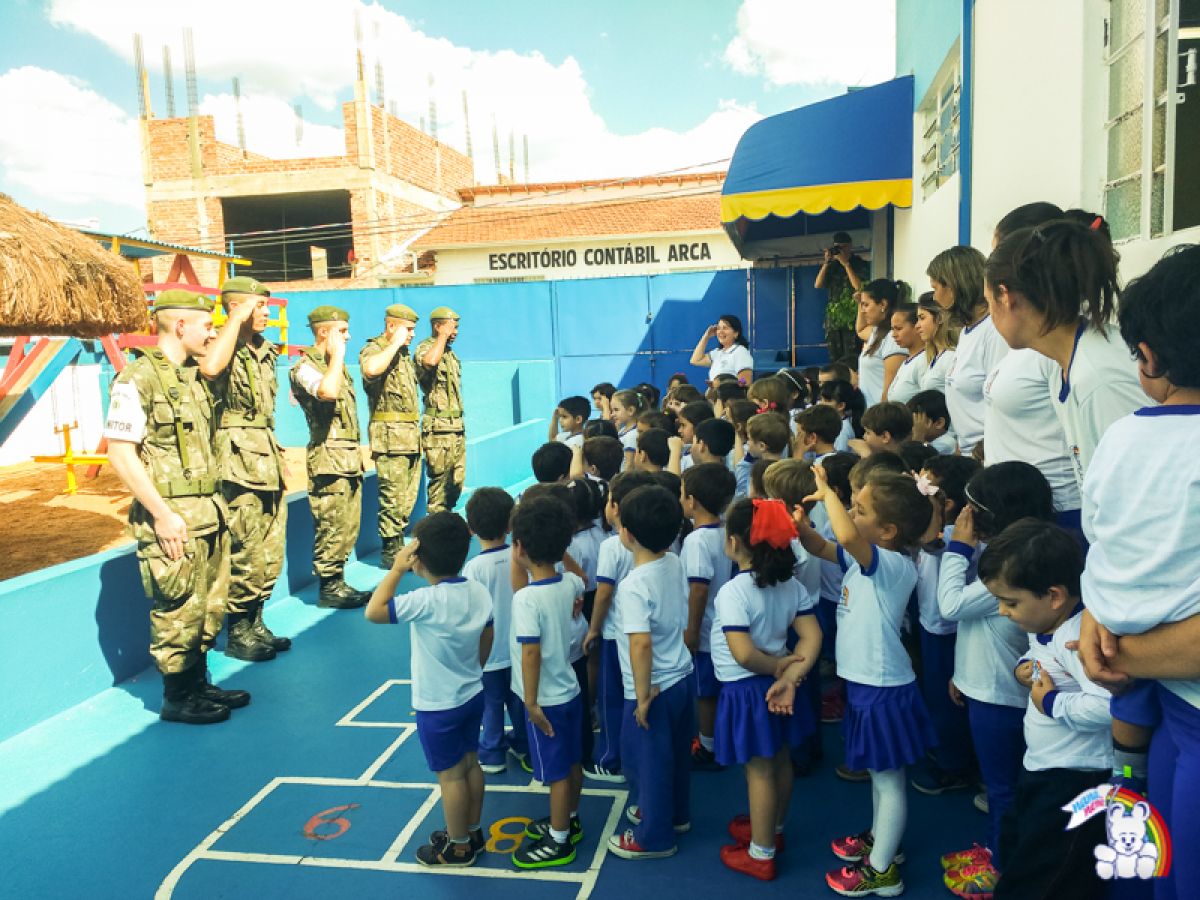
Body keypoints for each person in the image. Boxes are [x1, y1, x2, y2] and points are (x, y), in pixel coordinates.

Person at [1074, 245, 1200, 900]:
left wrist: (1104, 623)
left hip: (1160, 685)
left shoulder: (1123, 437)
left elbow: (1103, 537)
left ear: (1148, 359)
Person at [103, 290, 244, 725]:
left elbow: (218, 362)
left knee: (207, 606)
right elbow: (121, 453)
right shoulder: (136, 379)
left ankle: (198, 682)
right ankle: (177, 696)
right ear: (181, 326)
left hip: (208, 511)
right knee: (179, 606)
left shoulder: (194, 377)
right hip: (173, 516)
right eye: (206, 325)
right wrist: (162, 514)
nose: (211, 333)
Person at [797, 467, 936, 896]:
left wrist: (827, 493)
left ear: (888, 531)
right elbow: (822, 544)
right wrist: (801, 528)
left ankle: (882, 873)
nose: (851, 516)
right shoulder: (866, 560)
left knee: (888, 780)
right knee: (880, 776)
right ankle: (882, 843)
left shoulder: (891, 564)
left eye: (860, 510)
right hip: (866, 684)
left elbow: (843, 535)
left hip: (883, 689)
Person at [971, 520, 1112, 900]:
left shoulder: (1078, 640)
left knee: (1047, 876)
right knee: (1021, 847)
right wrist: (1027, 664)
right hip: (1043, 766)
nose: (1002, 611)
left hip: (1076, 779)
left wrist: (1051, 702)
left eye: (1010, 602)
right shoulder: (1049, 622)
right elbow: (1040, 655)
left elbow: (1106, 706)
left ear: (1053, 595)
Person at [936, 462, 1056, 896]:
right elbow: (977, 628)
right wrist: (961, 674)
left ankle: (1004, 872)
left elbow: (950, 606)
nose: (968, 517)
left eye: (975, 511)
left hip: (999, 697)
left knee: (1003, 788)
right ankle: (1000, 851)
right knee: (1000, 783)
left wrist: (958, 545)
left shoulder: (1012, 567)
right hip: (984, 683)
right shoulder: (1020, 552)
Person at [365, 512, 493, 867]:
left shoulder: (425, 600)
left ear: (418, 558)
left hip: (438, 705)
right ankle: (473, 830)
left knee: (450, 776)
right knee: (471, 764)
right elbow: (488, 632)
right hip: (472, 694)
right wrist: (475, 667)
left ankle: (458, 846)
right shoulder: (478, 589)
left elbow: (374, 611)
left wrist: (395, 570)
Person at [984, 219, 1150, 487]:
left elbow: (1141, 488)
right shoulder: (1066, 364)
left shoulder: (1100, 379)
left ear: (1005, 297)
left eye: (988, 302)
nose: (990, 315)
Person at [710, 499, 820, 880]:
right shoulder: (790, 585)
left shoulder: (733, 592)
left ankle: (760, 853)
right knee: (780, 760)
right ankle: (772, 828)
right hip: (778, 686)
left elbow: (742, 654)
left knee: (758, 770)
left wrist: (776, 668)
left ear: (736, 542)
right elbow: (811, 636)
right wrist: (789, 676)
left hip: (747, 691)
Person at [200, 276, 287, 662]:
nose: (266, 313)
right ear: (237, 307)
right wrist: (233, 320)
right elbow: (210, 370)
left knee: (270, 548)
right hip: (236, 462)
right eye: (259, 306)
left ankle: (256, 620)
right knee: (244, 547)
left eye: (266, 307)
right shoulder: (219, 344)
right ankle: (238, 631)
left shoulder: (266, 351)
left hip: (267, 456)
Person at [607, 485, 696, 860]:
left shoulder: (632, 586)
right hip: (682, 678)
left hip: (653, 689)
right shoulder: (674, 561)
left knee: (649, 763)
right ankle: (674, 815)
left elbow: (640, 644)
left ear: (626, 534)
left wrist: (642, 697)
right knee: (675, 755)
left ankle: (654, 836)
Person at [507, 495, 588, 868]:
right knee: (572, 762)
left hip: (546, 700)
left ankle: (559, 841)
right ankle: (569, 819)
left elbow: (530, 653)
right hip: (570, 690)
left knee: (555, 773)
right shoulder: (571, 583)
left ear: (520, 547)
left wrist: (530, 701)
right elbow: (580, 578)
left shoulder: (526, 600)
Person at [909, 456, 981, 800]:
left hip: (945, 629)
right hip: (933, 622)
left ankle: (953, 766)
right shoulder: (946, 527)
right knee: (938, 696)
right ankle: (951, 753)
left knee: (946, 701)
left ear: (946, 504)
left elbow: (928, 542)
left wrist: (929, 507)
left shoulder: (952, 533)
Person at [289, 305, 369, 609]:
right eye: (342, 331)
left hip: (347, 458)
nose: (348, 337)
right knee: (331, 523)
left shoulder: (336, 367)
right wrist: (336, 357)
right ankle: (329, 587)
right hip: (328, 460)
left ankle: (338, 581)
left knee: (347, 524)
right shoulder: (304, 367)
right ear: (324, 332)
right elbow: (327, 393)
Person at [584, 471, 657, 782]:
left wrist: (593, 629)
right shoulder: (657, 541)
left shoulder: (611, 547)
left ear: (615, 508)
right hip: (645, 631)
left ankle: (610, 758)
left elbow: (603, 594)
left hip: (616, 634)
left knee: (611, 700)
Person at [462, 488, 530, 776]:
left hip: (489, 654)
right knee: (519, 700)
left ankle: (492, 753)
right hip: (518, 649)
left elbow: (470, 614)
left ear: (471, 528)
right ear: (510, 524)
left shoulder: (473, 568)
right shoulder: (521, 558)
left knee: (491, 704)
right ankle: (525, 746)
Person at [679, 462, 739, 770]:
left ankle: (708, 746)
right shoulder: (727, 529)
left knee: (705, 692)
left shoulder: (696, 540)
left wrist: (690, 630)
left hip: (705, 628)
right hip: (725, 624)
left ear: (692, 501)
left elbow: (698, 588)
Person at [928, 246, 1008, 455]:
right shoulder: (966, 332)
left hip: (989, 456)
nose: (935, 298)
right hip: (968, 453)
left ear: (954, 286)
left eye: (936, 288)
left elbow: (1000, 401)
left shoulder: (993, 330)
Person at [360, 304, 423, 569]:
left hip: (410, 436)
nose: (411, 335)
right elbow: (371, 370)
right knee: (392, 497)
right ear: (392, 327)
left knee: (406, 498)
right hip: (390, 438)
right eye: (408, 330)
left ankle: (398, 547)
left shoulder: (405, 355)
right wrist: (395, 343)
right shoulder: (375, 349)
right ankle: (391, 551)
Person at [415, 306, 465, 513]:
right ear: (438, 326)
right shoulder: (426, 348)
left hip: (455, 427)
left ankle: (447, 522)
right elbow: (430, 362)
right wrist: (442, 337)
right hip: (438, 429)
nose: (455, 332)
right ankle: (436, 531)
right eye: (452, 327)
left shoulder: (450, 354)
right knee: (439, 485)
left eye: (456, 328)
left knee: (456, 482)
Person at [815, 231, 871, 362]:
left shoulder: (858, 263)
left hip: (852, 318)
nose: (840, 251)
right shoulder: (832, 266)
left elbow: (859, 287)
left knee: (852, 357)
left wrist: (846, 264)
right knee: (835, 358)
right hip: (834, 320)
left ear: (850, 246)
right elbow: (818, 284)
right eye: (837, 247)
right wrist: (826, 263)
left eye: (843, 247)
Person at [855, 279, 910, 407]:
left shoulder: (893, 338)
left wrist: (879, 420)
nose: (863, 311)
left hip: (880, 416)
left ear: (883, 304)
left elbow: (890, 389)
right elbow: (860, 330)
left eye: (866, 305)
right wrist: (860, 303)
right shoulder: (877, 332)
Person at [913, 292, 957, 395]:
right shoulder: (934, 357)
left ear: (940, 318)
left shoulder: (951, 357)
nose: (917, 326)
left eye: (922, 318)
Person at [690, 314, 754, 385]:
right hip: (716, 395)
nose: (720, 331)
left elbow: (745, 383)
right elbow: (695, 360)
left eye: (725, 328)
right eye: (719, 328)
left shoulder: (741, 352)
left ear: (736, 333)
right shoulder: (717, 352)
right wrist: (706, 336)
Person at [737, 413, 789, 499]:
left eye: (749, 439)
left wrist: (746, 462)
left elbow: (741, 496)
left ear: (762, 446)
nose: (747, 443)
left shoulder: (756, 474)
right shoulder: (787, 468)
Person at [885, 303, 928, 406]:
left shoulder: (924, 361)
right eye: (892, 329)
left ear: (917, 327)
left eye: (899, 328)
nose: (894, 335)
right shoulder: (908, 361)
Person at [818, 379, 865, 452]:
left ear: (841, 406)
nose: (821, 403)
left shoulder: (843, 430)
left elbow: (838, 458)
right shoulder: (834, 424)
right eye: (821, 399)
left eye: (827, 401)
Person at [610, 389, 648, 465]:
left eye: (616, 410)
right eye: (612, 410)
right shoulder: (623, 430)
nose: (612, 414)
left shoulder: (632, 435)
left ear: (630, 410)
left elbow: (629, 465)